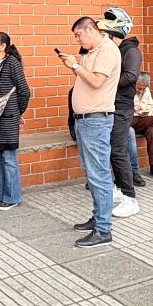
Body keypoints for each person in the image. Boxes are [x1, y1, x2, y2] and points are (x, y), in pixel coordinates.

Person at [59, 17, 121, 248]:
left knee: (99, 175)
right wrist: (76, 64)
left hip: (96, 120)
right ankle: (98, 218)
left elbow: (96, 82)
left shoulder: (107, 50)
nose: (77, 39)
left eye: (78, 35)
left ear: (90, 30)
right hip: (84, 121)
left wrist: (75, 65)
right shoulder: (90, 51)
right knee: (91, 172)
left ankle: (104, 230)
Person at [0, 32, 31, 209]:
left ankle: (12, 197)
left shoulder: (12, 63)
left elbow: (24, 91)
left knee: (8, 157)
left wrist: (17, 112)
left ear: (3, 46)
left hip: (7, 117)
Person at [99, 7, 142, 217]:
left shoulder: (130, 51)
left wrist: (103, 81)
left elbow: (130, 77)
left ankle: (130, 197)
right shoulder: (110, 49)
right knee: (110, 150)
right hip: (108, 106)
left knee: (118, 151)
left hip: (121, 108)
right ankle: (116, 187)